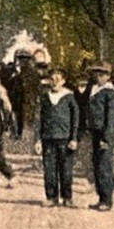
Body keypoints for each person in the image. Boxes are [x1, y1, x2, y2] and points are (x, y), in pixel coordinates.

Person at [37, 66, 80, 206]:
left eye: (58, 79)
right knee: (49, 169)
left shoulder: (69, 97)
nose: (55, 81)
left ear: (63, 81)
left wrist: (73, 137)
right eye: (52, 79)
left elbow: (75, 118)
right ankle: (51, 197)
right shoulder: (44, 97)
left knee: (66, 169)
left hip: (65, 138)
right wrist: (37, 139)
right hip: (48, 138)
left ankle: (67, 197)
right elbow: (38, 118)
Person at [85, 64, 114, 210]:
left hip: (104, 134)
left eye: (102, 75)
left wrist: (106, 138)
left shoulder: (110, 93)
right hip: (95, 132)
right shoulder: (95, 89)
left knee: (104, 166)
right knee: (97, 165)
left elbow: (111, 118)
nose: (98, 77)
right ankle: (101, 198)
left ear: (108, 76)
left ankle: (107, 200)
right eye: (97, 74)